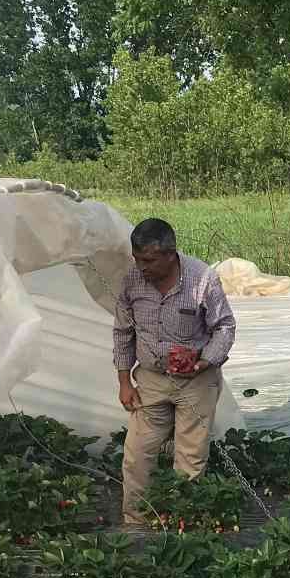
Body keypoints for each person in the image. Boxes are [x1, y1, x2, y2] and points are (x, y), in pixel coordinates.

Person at [112, 218, 237, 526]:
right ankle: (136, 521)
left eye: (150, 260)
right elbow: (122, 332)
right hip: (152, 379)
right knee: (137, 455)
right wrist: (124, 381)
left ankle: (184, 521)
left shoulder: (203, 280)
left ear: (171, 254)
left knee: (190, 457)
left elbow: (224, 327)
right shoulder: (132, 282)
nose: (143, 267)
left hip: (196, 380)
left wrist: (204, 360)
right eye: (138, 259)